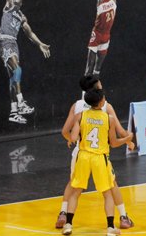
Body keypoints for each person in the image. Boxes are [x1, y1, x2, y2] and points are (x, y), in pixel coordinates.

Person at [56, 75, 135, 230]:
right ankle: (122, 218)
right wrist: (129, 140)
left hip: (81, 152)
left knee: (73, 185)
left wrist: (74, 139)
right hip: (99, 155)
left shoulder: (78, 106)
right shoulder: (107, 108)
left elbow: (65, 131)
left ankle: (64, 215)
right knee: (111, 187)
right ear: (97, 88)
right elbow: (119, 132)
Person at [0, 0, 50, 124]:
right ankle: (21, 101)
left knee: (13, 78)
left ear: (21, 3)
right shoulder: (9, 6)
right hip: (5, 40)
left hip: (14, 43)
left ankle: (13, 112)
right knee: (18, 70)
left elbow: (30, 34)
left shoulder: (21, 16)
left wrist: (40, 44)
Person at [84, 0, 117, 76]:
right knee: (90, 66)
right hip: (97, 33)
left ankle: (94, 91)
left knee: (97, 69)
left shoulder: (113, 1)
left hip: (106, 36)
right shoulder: (101, 1)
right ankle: (84, 91)